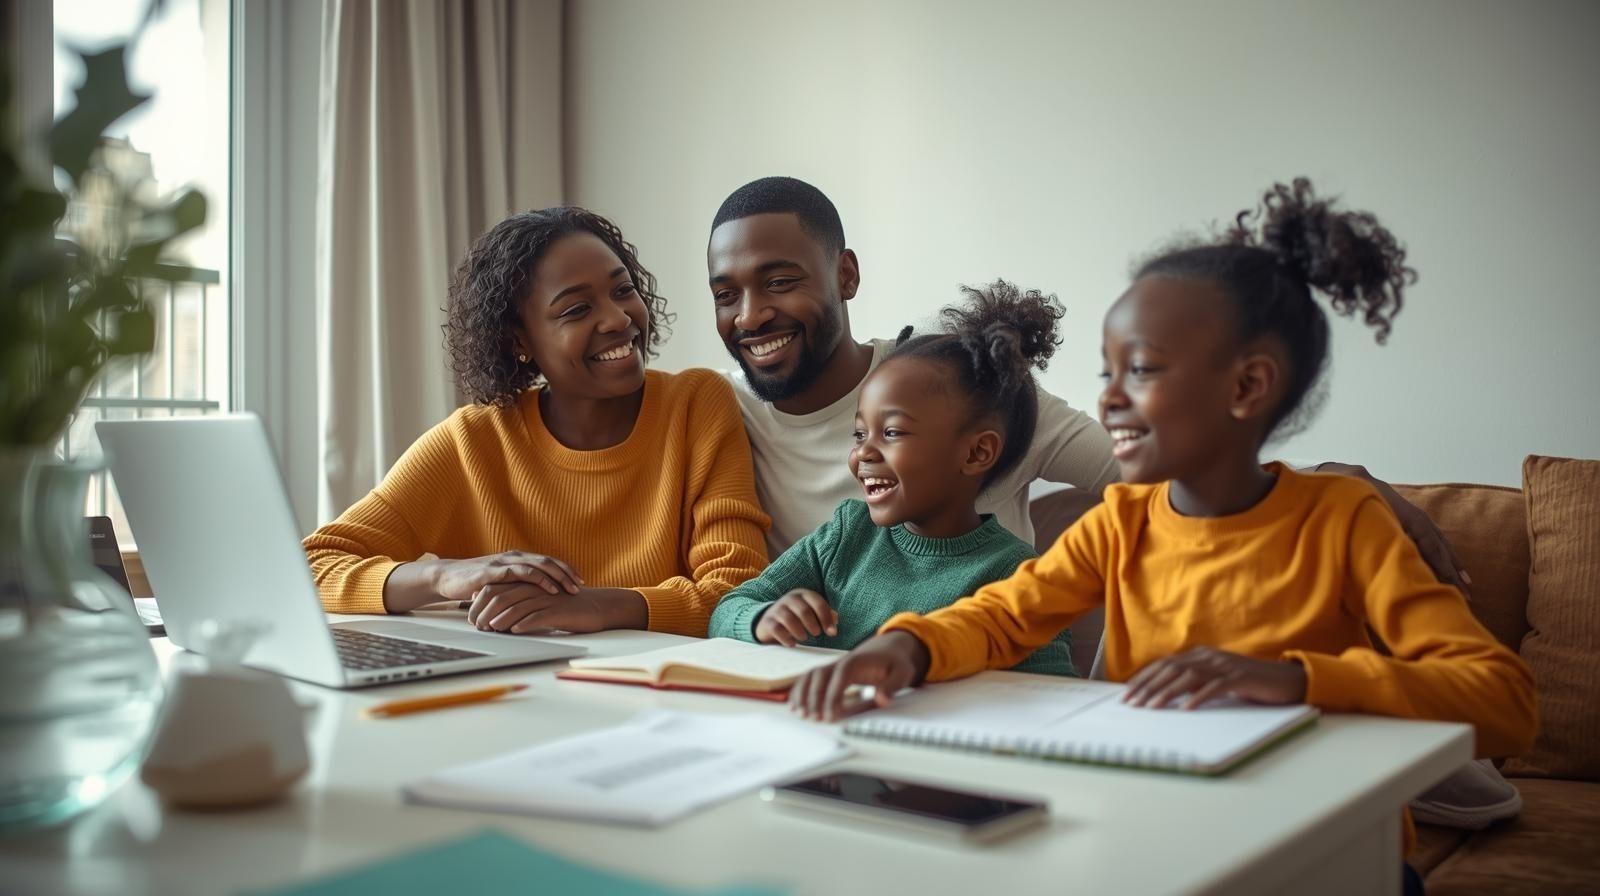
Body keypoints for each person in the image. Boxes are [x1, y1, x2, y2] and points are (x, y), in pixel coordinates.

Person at [786, 181, 1536, 887]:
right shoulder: (1121, 524)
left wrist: (1297, 681)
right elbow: (1005, 614)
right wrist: (908, 646)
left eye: (1138, 370)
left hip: (1328, 856)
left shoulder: (1344, 522)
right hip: (1160, 841)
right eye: (1106, 372)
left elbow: (1503, 698)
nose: (1108, 398)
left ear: (1247, 387)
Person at [705, 176, 1475, 594]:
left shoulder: (953, 386)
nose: (751, 315)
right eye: (725, 292)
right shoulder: (714, 415)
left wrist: (1330, 487)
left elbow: (1162, 471)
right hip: (808, 692)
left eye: (780, 281)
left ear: (845, 274)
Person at [303, 207, 769, 637]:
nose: (617, 318)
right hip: (516, 692)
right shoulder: (473, 441)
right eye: (576, 309)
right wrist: (443, 576)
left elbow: (739, 595)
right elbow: (309, 563)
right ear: (519, 339)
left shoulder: (695, 404)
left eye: (622, 290)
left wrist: (596, 608)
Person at [707, 282, 1074, 675]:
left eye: (893, 433)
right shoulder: (847, 534)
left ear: (976, 453)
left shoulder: (1016, 576)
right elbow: (727, 610)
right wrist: (762, 618)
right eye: (860, 434)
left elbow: (1052, 693)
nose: (864, 453)